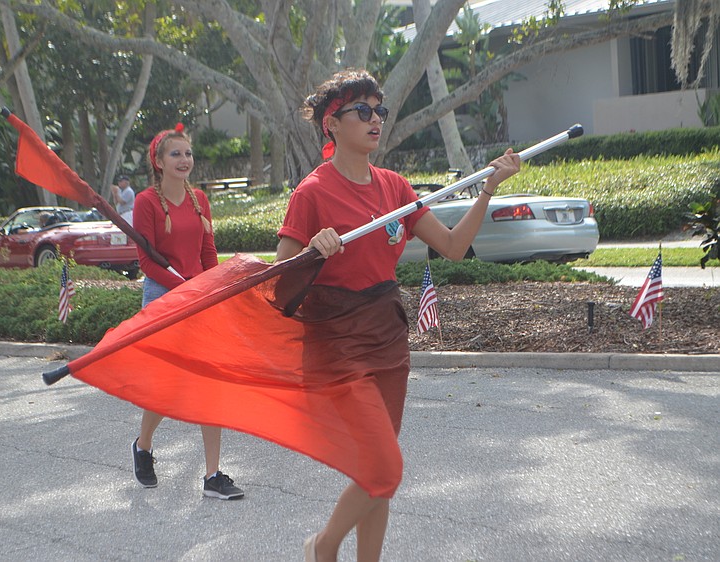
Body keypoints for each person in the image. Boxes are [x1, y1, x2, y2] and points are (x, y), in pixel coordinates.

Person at [275, 69, 520, 561]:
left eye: (379, 110)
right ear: (332, 124)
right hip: (338, 342)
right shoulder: (313, 193)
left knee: (374, 473)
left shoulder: (395, 187)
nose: (375, 119)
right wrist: (312, 253)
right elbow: (281, 283)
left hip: (388, 338)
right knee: (385, 469)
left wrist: (488, 190)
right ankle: (323, 547)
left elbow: (452, 247)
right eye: (361, 111)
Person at [129, 125, 244, 500]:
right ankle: (143, 446)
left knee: (210, 380)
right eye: (175, 154)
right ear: (158, 162)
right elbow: (147, 261)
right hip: (165, 295)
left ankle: (212, 476)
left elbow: (208, 251)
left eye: (188, 154)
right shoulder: (147, 202)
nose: (184, 160)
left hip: (200, 295)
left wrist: (214, 285)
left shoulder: (200, 201)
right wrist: (184, 288)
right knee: (168, 384)